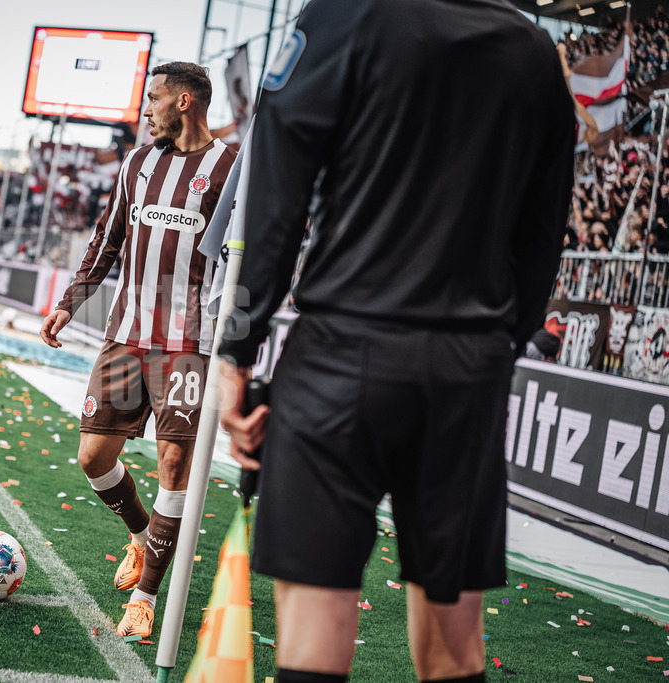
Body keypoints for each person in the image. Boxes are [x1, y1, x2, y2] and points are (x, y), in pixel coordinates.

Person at [217, 2, 575, 682]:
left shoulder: (344, 14)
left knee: (313, 642)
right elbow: (543, 231)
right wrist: (494, 347)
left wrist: (238, 346)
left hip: (341, 352)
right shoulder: (533, 51)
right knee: (454, 649)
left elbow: (275, 191)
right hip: (466, 368)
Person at [39, 61, 237, 638]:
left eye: (154, 98)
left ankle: (145, 599)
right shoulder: (138, 163)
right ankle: (141, 535)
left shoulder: (231, 168)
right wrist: (70, 302)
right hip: (126, 335)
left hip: (191, 344)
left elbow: (253, 252)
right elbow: (107, 238)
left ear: (184, 102)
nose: (146, 110)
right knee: (93, 457)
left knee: (174, 465)